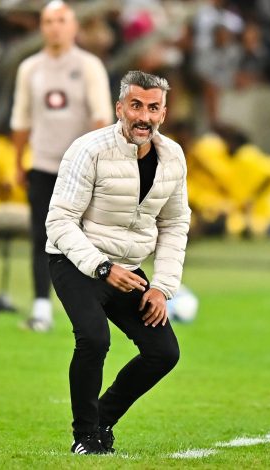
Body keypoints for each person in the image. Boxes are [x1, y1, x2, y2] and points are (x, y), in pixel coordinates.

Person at [45, 70, 190, 454]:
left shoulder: (173, 156)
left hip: (128, 269)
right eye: (136, 105)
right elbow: (59, 221)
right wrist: (103, 268)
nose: (144, 116)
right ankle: (85, 437)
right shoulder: (88, 149)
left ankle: (102, 419)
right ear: (119, 108)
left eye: (153, 108)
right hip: (76, 260)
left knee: (164, 353)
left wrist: (161, 287)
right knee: (93, 338)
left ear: (163, 112)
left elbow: (175, 223)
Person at [10, 0, 113, 332]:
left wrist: (97, 161)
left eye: (61, 21)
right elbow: (21, 118)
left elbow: (101, 117)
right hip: (42, 163)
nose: (55, 27)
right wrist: (17, 161)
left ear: (73, 27)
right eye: (49, 21)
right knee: (42, 235)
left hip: (79, 169)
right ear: (41, 27)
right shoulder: (30, 68)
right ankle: (41, 306)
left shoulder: (88, 66)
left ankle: (94, 304)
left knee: (88, 237)